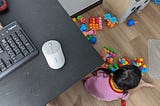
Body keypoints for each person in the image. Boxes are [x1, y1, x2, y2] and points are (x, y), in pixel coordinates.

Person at [83, 65, 153, 101]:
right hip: (99, 97)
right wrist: (141, 85)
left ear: (113, 74)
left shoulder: (105, 75)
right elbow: (128, 95)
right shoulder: (121, 94)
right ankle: (142, 84)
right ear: (127, 88)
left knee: (89, 70)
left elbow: (98, 71)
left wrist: (103, 58)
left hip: (88, 84)